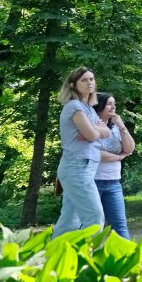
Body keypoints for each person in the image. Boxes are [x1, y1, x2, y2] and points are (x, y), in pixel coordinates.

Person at [54, 67, 113, 236]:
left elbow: (106, 132)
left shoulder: (87, 108)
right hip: (76, 167)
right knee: (95, 217)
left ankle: (54, 259)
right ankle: (85, 257)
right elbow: (93, 134)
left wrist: (95, 130)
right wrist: (95, 130)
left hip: (83, 168)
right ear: (73, 85)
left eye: (91, 79)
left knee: (69, 221)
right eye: (84, 80)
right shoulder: (74, 106)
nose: (89, 83)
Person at [92, 93, 135, 239]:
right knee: (92, 225)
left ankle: (131, 260)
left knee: (120, 225)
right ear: (100, 106)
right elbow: (96, 154)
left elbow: (129, 148)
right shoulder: (90, 127)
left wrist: (121, 125)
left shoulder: (116, 127)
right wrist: (119, 157)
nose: (114, 106)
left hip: (114, 183)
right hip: (92, 182)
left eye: (114, 103)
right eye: (110, 103)